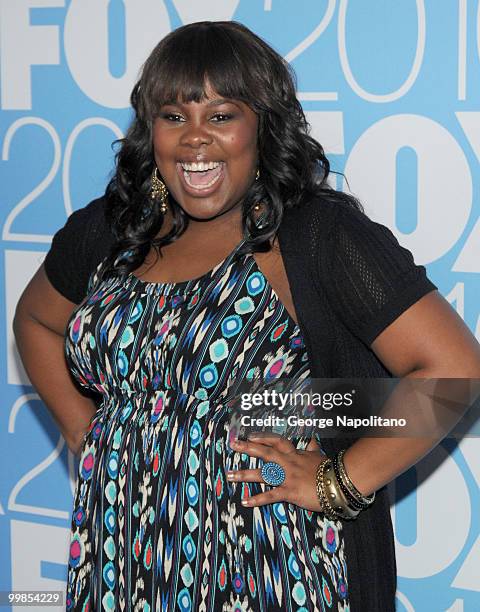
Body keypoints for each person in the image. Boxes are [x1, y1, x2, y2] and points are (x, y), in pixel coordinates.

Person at [13, 20, 480, 612]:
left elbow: (453, 369)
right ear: (149, 129)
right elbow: (35, 320)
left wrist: (336, 482)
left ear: (261, 125)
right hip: (122, 544)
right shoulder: (111, 228)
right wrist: (86, 431)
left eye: (222, 115)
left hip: (264, 558)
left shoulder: (318, 235)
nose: (194, 139)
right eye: (173, 116)